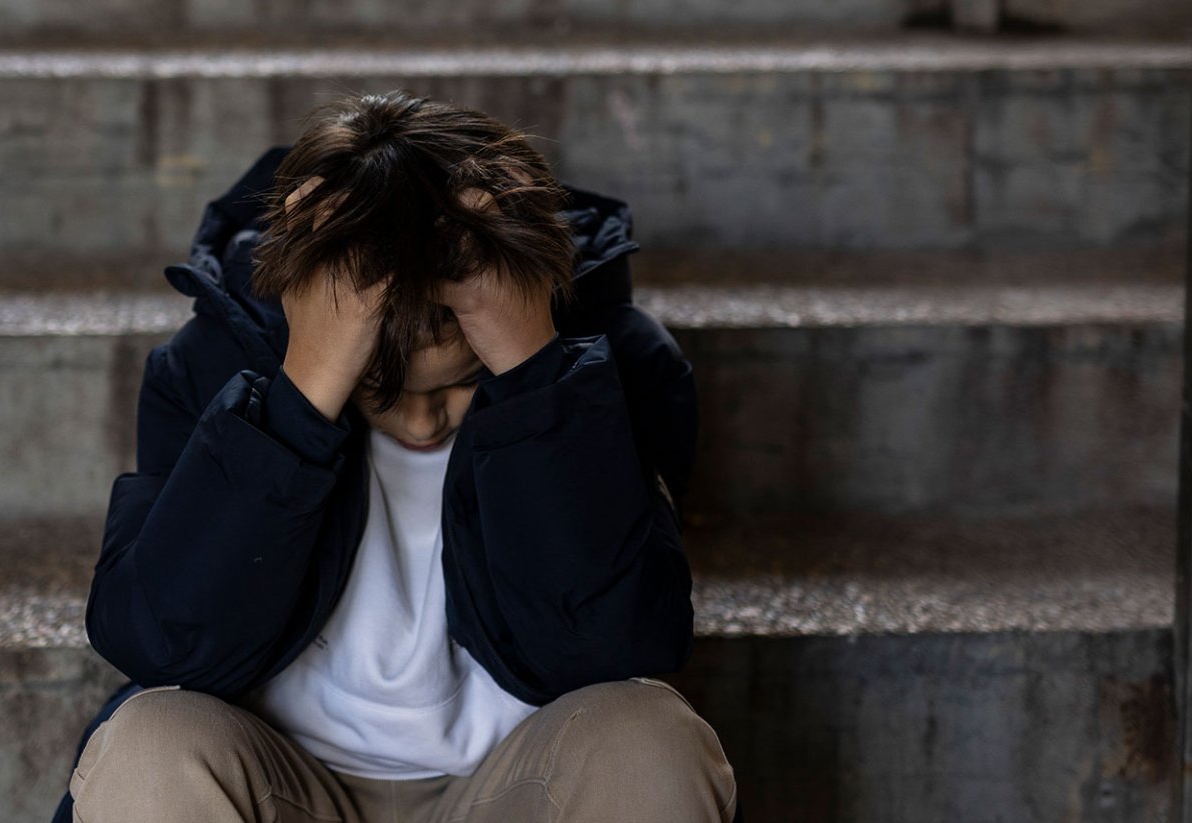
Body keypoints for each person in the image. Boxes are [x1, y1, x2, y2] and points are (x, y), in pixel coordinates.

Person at [55, 89, 741, 823]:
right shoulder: (215, 364)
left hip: (514, 784)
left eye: (457, 388)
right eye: (381, 393)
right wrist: (304, 392)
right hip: (280, 784)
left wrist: (532, 375)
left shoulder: (611, 367)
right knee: (148, 747)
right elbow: (162, 643)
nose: (420, 422)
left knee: (651, 742)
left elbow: (610, 643)